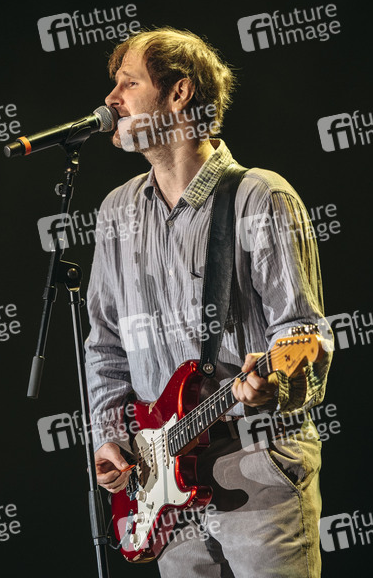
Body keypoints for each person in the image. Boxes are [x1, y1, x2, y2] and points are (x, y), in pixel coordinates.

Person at [86, 28, 332, 577]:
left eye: (129, 83)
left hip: (256, 464)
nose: (111, 99)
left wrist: (274, 383)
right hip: (160, 483)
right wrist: (110, 437)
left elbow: (302, 333)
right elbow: (104, 345)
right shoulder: (116, 212)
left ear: (179, 93)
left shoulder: (260, 197)